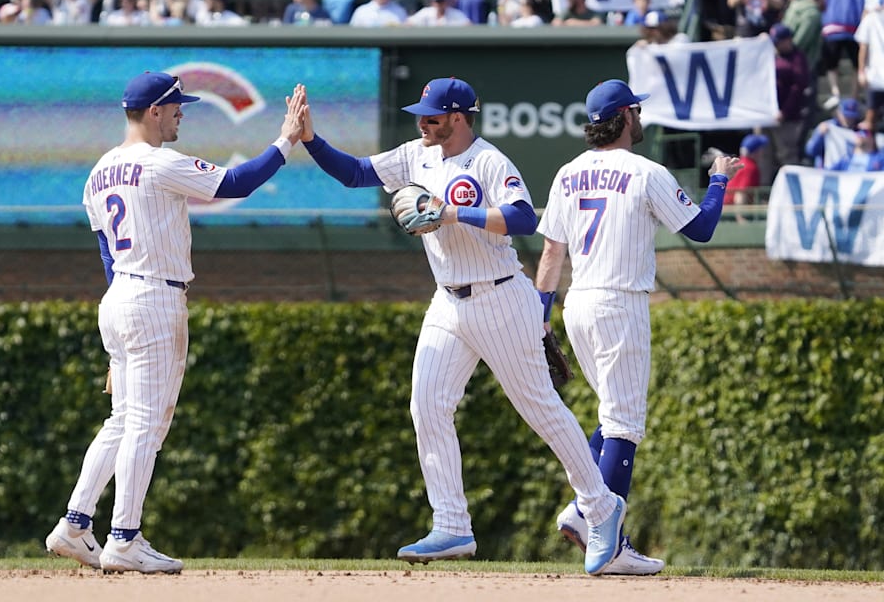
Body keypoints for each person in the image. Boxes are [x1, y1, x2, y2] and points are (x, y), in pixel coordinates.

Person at [297, 77, 628, 574]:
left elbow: (520, 217)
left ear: (458, 117)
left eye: (432, 115)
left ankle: (603, 509)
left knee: (541, 410)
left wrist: (452, 212)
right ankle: (451, 524)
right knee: (426, 404)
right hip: (448, 300)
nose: (423, 122)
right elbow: (356, 174)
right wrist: (309, 140)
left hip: (499, 294)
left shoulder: (489, 161)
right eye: (421, 114)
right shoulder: (416, 154)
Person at [44, 72, 308, 574]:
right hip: (153, 298)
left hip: (120, 296)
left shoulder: (99, 170)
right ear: (154, 112)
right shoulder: (157, 162)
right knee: (146, 423)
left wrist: (122, 326)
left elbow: (105, 251)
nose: (182, 112)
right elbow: (236, 183)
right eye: (176, 106)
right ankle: (124, 537)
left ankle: (75, 525)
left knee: (122, 420)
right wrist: (285, 140)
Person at [535, 79, 743, 575]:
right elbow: (702, 228)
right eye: (637, 111)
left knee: (611, 415)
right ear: (626, 116)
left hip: (577, 303)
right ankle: (608, 543)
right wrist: (718, 180)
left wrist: (538, 316)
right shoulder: (645, 171)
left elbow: (550, 252)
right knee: (625, 424)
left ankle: (582, 512)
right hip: (619, 301)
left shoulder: (568, 173)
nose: (640, 118)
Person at [759, 23, 811, 183]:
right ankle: (762, 191)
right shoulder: (769, 54)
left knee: (787, 155)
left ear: (788, 40)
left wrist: (785, 112)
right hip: (765, 115)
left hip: (787, 118)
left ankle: (794, 192)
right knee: (762, 154)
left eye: (779, 41)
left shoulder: (797, 58)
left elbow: (798, 88)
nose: (776, 44)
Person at [820, 0, 863, 109]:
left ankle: (852, 97)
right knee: (834, 64)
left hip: (850, 26)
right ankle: (838, 94)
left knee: (858, 65)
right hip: (836, 26)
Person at [805, 97, 862, 167]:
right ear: (839, 113)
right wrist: (820, 135)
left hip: (850, 173)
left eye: (851, 117)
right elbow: (810, 151)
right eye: (846, 116)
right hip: (828, 172)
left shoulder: (859, 131)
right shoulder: (827, 127)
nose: (849, 120)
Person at [726, 133, 768, 223]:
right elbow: (740, 193)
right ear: (756, 152)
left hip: (726, 211)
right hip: (729, 216)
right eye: (761, 149)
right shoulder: (750, 167)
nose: (763, 152)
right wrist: (740, 217)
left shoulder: (740, 163)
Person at [857, 4, 884, 132]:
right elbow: (863, 47)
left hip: (876, 76)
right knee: (870, 116)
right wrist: (861, 71)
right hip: (875, 76)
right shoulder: (871, 19)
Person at [406, 0, 472, 25]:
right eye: (437, 1)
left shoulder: (455, 14)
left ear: (446, 1)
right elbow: (408, 23)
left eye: (442, 1)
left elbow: (469, 25)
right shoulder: (425, 12)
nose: (439, 4)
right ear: (433, 2)